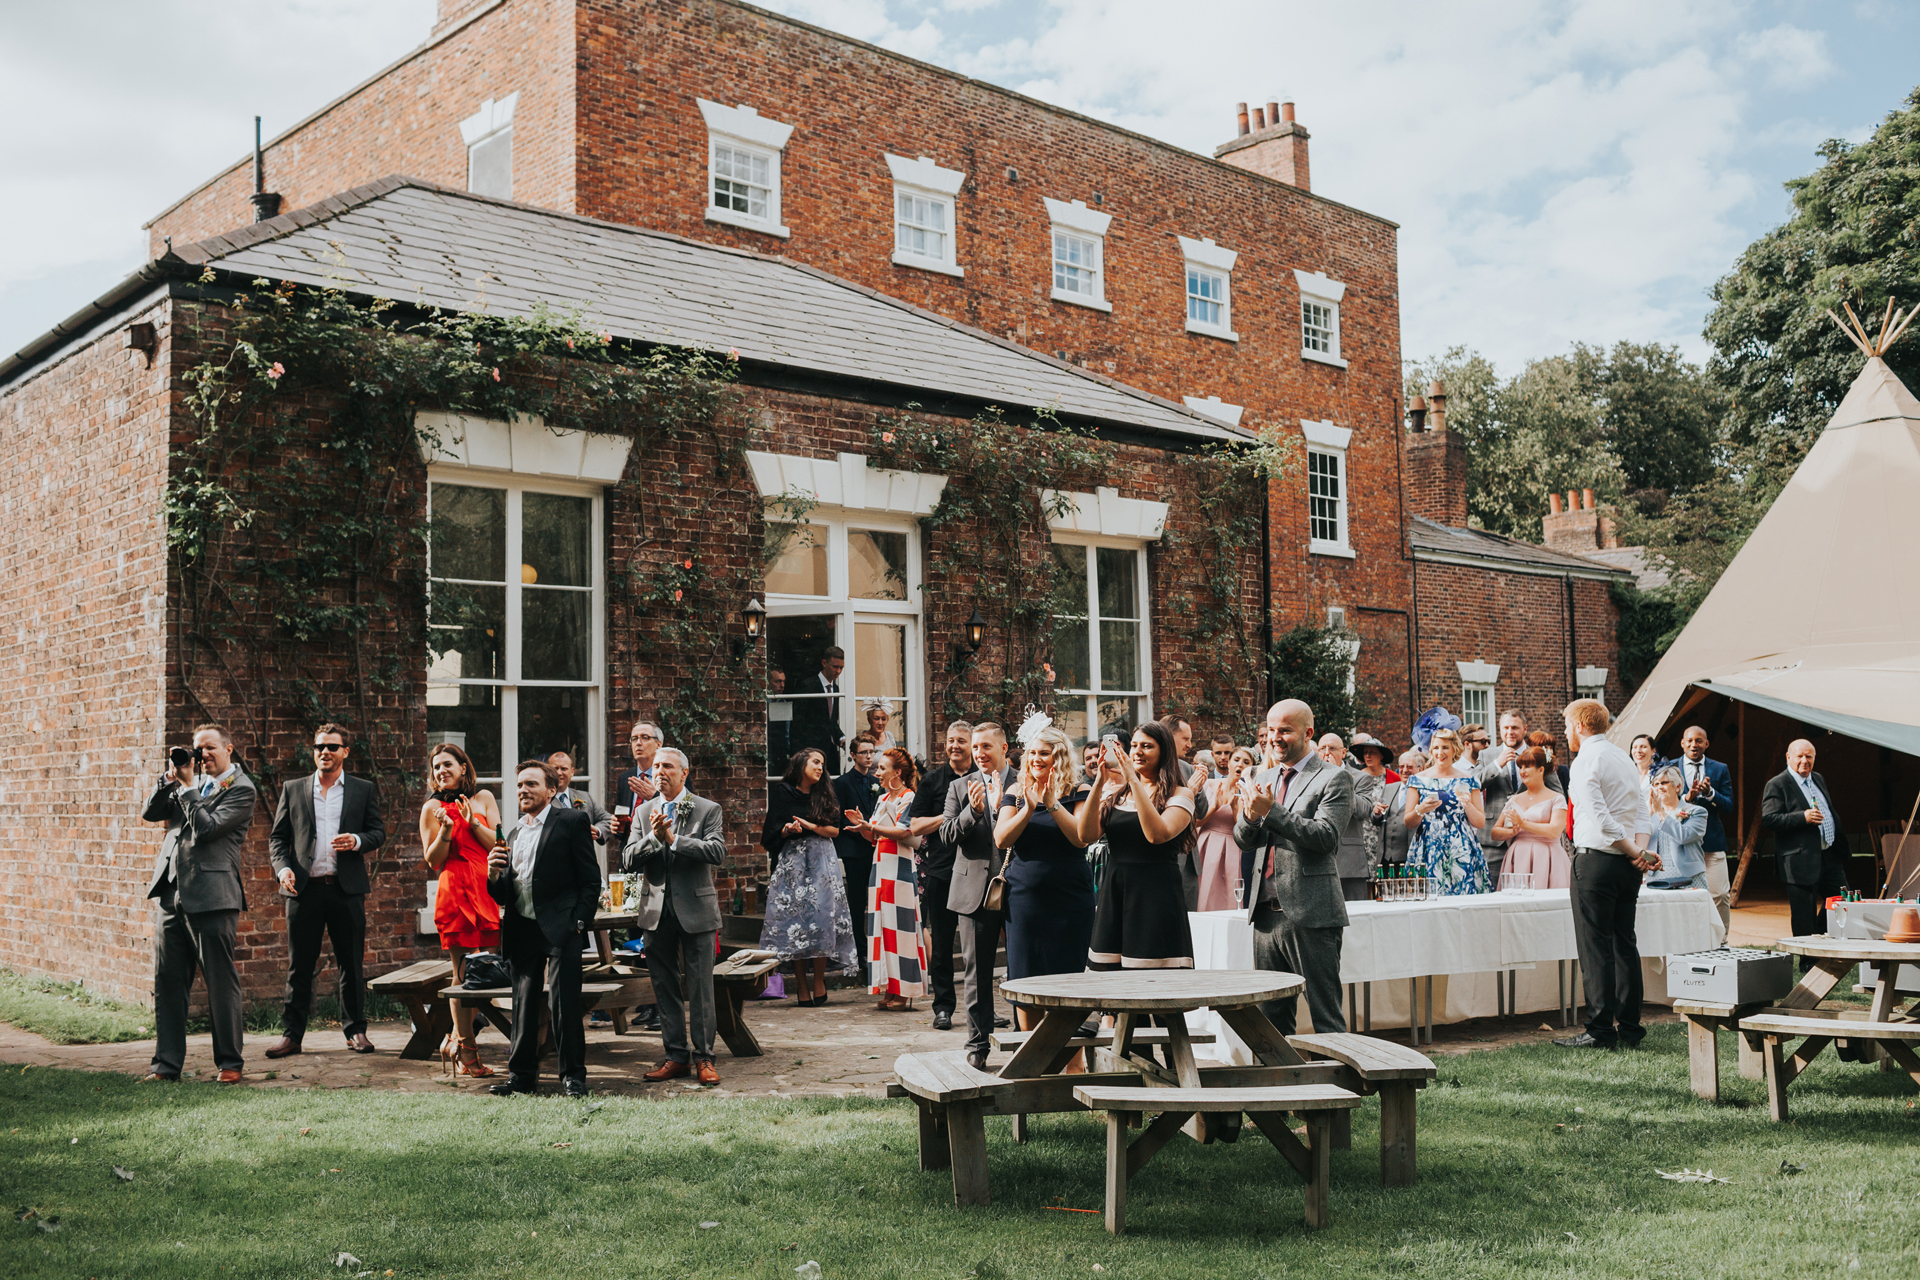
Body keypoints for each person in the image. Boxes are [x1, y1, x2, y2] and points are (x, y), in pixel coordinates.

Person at [143, 724, 258, 1084]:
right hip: (171, 893)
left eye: (209, 748)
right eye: (197, 749)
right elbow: (151, 813)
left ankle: (229, 1064)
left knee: (219, 981)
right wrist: (169, 781)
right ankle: (166, 1065)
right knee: (168, 981)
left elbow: (207, 829)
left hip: (213, 895)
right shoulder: (185, 783)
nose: (201, 755)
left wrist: (189, 788)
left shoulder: (242, 789)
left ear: (229, 749)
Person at [265, 723, 387, 1061]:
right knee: (299, 966)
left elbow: (377, 831)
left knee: (351, 964)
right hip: (304, 890)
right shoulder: (294, 789)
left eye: (333, 746)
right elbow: (278, 839)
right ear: (313, 751)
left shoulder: (362, 789)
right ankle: (292, 1036)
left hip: (345, 890)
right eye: (320, 747)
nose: (325, 752)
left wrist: (358, 841)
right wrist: (282, 868)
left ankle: (356, 1031)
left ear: (346, 751)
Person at [1234, 699, 1355, 1034]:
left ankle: (1337, 1085)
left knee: (1325, 1015)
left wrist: (1271, 811)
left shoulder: (1334, 778)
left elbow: (1325, 837)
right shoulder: (1265, 775)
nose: (1275, 737)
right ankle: (1276, 1085)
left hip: (1311, 911)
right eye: (1271, 730)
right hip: (1265, 915)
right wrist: (1251, 816)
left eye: (1285, 730)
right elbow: (1244, 840)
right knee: (1271, 1018)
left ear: (1308, 732)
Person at [486, 760, 601, 1096]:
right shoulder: (514, 832)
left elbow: (590, 880)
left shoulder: (572, 821)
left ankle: (573, 1077)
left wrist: (579, 923)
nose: (523, 790)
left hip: (561, 927)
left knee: (564, 1004)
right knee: (523, 1005)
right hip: (522, 928)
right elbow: (503, 892)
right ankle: (521, 1078)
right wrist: (494, 874)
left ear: (551, 790)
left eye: (532, 784)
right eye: (520, 785)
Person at [1554, 698, 1659, 1051]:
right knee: (1624, 943)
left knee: (1596, 946)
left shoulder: (1587, 760)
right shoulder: (1623, 759)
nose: (1566, 731)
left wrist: (1635, 852)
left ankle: (1600, 1030)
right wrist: (1639, 852)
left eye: (1568, 725)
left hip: (1597, 862)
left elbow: (1601, 819)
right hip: (1626, 866)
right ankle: (1629, 1028)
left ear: (1581, 725)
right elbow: (1641, 812)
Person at [626, 748, 727, 1085]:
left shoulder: (706, 809)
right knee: (664, 987)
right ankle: (675, 1056)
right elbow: (627, 859)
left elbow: (716, 851)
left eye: (667, 766)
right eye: (656, 767)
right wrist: (655, 840)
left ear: (685, 772)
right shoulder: (643, 812)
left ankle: (705, 1058)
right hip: (655, 913)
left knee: (700, 988)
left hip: (696, 911)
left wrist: (674, 840)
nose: (660, 772)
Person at [993, 726, 1097, 1015]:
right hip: (1025, 899)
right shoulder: (1016, 791)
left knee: (1069, 981)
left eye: (1044, 753)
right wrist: (1027, 809)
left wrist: (1051, 803)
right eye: (1033, 753)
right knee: (1025, 979)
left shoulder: (1080, 791)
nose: (1037, 758)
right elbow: (1001, 838)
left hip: (1071, 897)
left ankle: (1074, 1061)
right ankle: (1033, 1055)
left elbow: (1080, 838)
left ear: (1059, 757)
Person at [1086, 721, 1202, 976]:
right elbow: (1085, 835)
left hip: (1155, 896)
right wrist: (1098, 783)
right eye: (1135, 745)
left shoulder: (1179, 794)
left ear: (1164, 752)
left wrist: (1133, 780)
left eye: (1147, 746)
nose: (1138, 751)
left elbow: (1156, 834)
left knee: (1160, 990)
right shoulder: (1115, 793)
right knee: (1117, 991)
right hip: (1116, 892)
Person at [419, 742, 505, 1077]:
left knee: (490, 970)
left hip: (486, 887)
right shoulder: (431, 808)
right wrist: (447, 830)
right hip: (454, 889)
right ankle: (468, 1053)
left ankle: (455, 1039)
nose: (441, 771)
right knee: (463, 974)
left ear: (463, 767)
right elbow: (433, 861)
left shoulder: (483, 798)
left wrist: (471, 823)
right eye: (436, 767)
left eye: (447, 764)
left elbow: (498, 844)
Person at [941, 723, 1018, 1069]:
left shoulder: (1024, 780)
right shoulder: (960, 787)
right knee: (976, 971)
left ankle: (1025, 1037)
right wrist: (973, 812)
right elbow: (945, 834)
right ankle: (977, 1043)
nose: (979, 753)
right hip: (974, 887)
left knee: (1023, 968)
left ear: (1004, 748)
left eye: (987, 747)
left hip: (1019, 885)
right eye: (976, 747)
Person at [759, 748, 857, 1005]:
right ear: (801, 763)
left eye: (823, 764)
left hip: (822, 860)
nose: (820, 768)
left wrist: (811, 826)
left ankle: (819, 981)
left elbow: (834, 830)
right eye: (816, 762)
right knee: (796, 922)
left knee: (822, 920)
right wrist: (786, 830)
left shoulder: (825, 793)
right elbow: (769, 833)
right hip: (793, 862)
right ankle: (801, 986)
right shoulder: (782, 793)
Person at [845, 747, 928, 1011]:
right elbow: (874, 837)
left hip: (900, 870)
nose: (877, 772)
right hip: (880, 868)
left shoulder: (909, 797)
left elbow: (903, 832)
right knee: (884, 927)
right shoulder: (882, 800)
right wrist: (863, 826)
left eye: (882, 768)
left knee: (901, 929)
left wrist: (871, 827)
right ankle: (891, 987)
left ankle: (905, 991)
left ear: (898, 772)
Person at [1761, 739, 1851, 955]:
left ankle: (1819, 935)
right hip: (1799, 860)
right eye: (1799, 756)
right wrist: (1803, 817)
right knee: (1804, 914)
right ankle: (1807, 959)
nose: (1804, 761)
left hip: (1828, 854)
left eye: (1809, 756)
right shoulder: (1778, 784)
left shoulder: (1818, 778)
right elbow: (1769, 819)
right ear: (1788, 757)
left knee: (1843, 900)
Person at [1479, 712, 1563, 888]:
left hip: (1535, 839)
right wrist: (1496, 765)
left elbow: (1556, 792)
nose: (1510, 732)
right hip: (1494, 840)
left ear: (1525, 729)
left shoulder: (1539, 754)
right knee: (1496, 893)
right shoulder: (1486, 755)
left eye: (1515, 728)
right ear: (1499, 730)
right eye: (1506, 728)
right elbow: (1472, 785)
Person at [1403, 728, 1488, 895]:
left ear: (1454, 749)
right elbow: (1408, 822)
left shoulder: (1469, 780)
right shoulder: (1418, 780)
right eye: (1436, 748)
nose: (1440, 752)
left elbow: (1480, 822)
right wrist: (1420, 810)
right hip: (1428, 846)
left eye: (1445, 747)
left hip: (1461, 847)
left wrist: (1468, 805)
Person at [832, 735, 885, 985]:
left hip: (877, 848)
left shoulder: (878, 782)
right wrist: (857, 829)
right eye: (863, 752)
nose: (868, 756)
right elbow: (837, 818)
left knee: (878, 901)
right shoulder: (842, 783)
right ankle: (859, 954)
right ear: (852, 755)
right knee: (856, 902)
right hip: (855, 851)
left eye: (871, 752)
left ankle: (878, 951)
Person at [1673, 726, 1736, 930]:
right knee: (1683, 896)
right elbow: (1663, 803)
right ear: (1683, 743)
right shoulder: (1671, 768)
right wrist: (1685, 799)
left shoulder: (1720, 769)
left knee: (1719, 894)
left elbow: (1728, 806)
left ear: (1706, 744)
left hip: (1712, 841)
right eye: (1690, 740)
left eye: (1699, 741)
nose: (1694, 745)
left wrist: (1711, 794)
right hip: (1680, 844)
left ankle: (1722, 940)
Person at [1489, 746, 1571, 889]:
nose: (1522, 771)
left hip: (1547, 855)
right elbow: (1495, 832)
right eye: (1520, 767)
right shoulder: (1514, 799)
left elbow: (1555, 831)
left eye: (1527, 766)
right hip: (1518, 856)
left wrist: (1523, 824)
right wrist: (1511, 832)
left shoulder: (1557, 798)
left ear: (1541, 770)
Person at [1190, 746, 1255, 910]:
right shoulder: (1209, 784)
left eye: (1246, 762)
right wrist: (1215, 807)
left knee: (1229, 899)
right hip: (1205, 845)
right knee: (1202, 896)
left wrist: (1235, 809)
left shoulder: (1249, 793)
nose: (1240, 765)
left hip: (1233, 849)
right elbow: (1195, 822)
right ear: (1230, 763)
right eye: (1237, 760)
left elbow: (1245, 830)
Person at [1332, 735, 1382, 902]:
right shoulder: (1311, 776)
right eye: (1322, 749)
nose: (1326, 753)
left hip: (1349, 860)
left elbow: (1362, 810)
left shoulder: (1360, 777)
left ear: (1343, 752)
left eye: (1331, 748)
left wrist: (1338, 779)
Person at [1645, 767, 1711, 894]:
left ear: (1677, 786)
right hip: (1658, 878)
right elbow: (1639, 847)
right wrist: (1650, 862)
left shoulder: (1697, 812)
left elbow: (1684, 836)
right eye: (1656, 784)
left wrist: (1660, 812)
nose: (1659, 787)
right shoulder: (1650, 816)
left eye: (1664, 783)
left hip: (1689, 877)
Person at [791, 647, 848, 772]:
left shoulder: (836, 689)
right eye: (835, 666)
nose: (838, 671)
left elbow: (832, 722)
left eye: (841, 668)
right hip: (811, 752)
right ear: (824, 663)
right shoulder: (807, 686)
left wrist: (842, 739)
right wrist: (800, 755)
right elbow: (798, 723)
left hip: (830, 752)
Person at [1371, 750, 1420, 874]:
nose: (1405, 770)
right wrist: (1376, 814)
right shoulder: (1389, 788)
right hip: (1386, 858)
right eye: (1401, 766)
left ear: (1420, 768)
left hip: (1411, 856)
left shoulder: (1423, 791)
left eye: (1409, 767)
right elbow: (1377, 821)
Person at [1628, 734, 1658, 802]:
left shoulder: (1661, 773)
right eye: (1635, 747)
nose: (1638, 751)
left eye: (1643, 747)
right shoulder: (1626, 775)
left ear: (1653, 751)